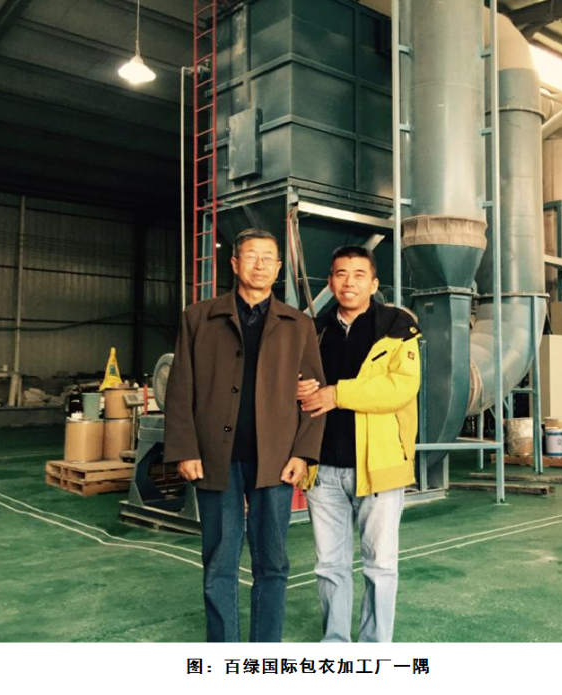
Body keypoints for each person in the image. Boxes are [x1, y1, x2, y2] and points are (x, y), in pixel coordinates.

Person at [164, 228, 325, 642]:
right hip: (215, 458)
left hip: (276, 459)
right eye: (251, 256)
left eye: (268, 257)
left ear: (278, 268)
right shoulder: (199, 318)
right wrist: (184, 449)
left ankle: (265, 648)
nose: (260, 264)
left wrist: (303, 454)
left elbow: (314, 396)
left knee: (273, 561)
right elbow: (180, 388)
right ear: (235, 264)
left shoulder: (299, 325)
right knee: (220, 559)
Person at [298, 245, 421, 642]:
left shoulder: (397, 326)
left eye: (358, 275)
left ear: (373, 283)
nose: (348, 282)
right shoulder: (314, 330)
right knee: (329, 565)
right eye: (340, 274)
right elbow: (296, 384)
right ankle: (335, 644)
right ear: (330, 281)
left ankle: (374, 649)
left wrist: (338, 394)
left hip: (379, 467)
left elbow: (400, 388)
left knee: (380, 565)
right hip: (323, 468)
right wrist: (298, 389)